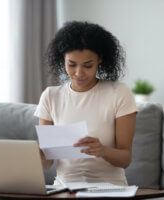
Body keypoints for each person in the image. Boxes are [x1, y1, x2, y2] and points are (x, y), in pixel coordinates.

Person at [34, 21, 138, 186]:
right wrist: (40, 156)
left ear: (100, 60)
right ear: (63, 60)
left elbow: (125, 159)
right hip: (64, 189)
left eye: (88, 65)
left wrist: (103, 151)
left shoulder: (119, 93)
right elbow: (47, 164)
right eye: (72, 64)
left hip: (110, 188)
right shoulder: (50, 96)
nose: (79, 73)